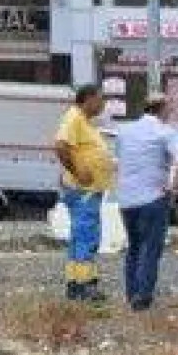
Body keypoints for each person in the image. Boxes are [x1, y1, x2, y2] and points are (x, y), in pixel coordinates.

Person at [113, 93, 178, 312]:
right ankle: (143, 296)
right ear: (162, 109)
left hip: (127, 199)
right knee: (150, 248)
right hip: (153, 197)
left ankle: (131, 293)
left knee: (134, 246)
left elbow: (119, 161)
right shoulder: (165, 132)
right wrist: (174, 188)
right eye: (169, 109)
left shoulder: (125, 132)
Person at [53, 84, 116, 302]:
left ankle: (74, 282)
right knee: (87, 236)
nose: (103, 104)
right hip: (83, 190)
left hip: (86, 190)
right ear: (88, 99)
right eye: (100, 99)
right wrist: (78, 171)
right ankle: (86, 285)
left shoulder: (83, 121)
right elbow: (61, 146)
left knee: (79, 236)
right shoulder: (74, 118)